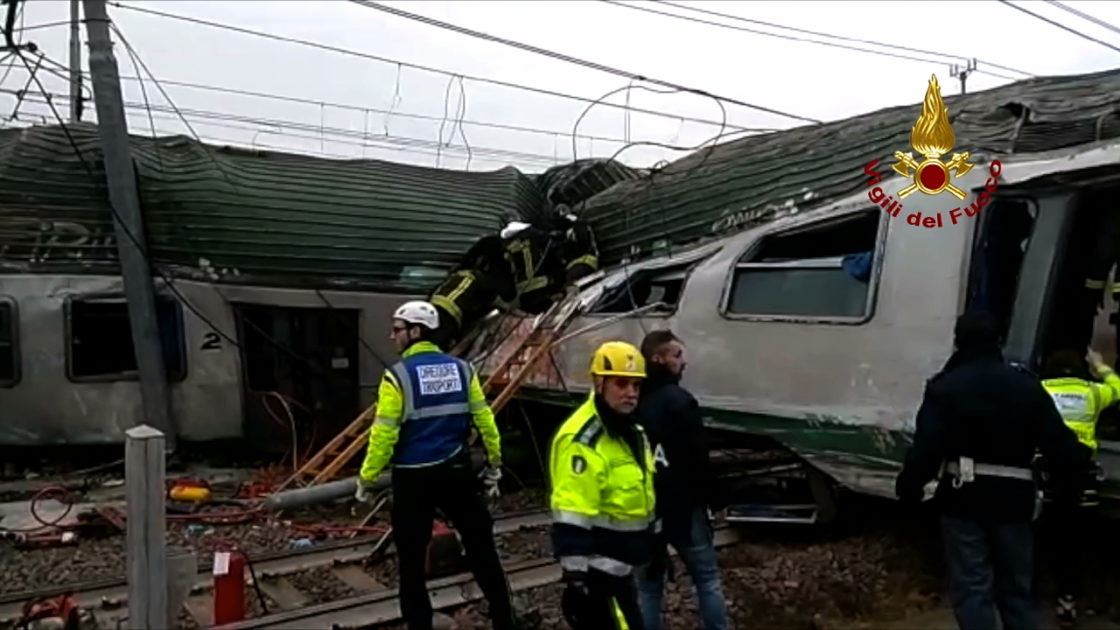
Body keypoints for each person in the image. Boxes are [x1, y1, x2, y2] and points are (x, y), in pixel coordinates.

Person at [895, 311, 1091, 630]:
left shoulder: (946, 387)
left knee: (973, 588)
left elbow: (926, 448)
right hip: (1016, 500)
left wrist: (909, 489)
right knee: (1017, 591)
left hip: (963, 499)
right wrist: (1076, 472)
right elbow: (1061, 446)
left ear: (958, 341)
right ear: (999, 341)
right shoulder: (1026, 386)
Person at [355, 300, 517, 630]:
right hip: (456, 474)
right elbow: (485, 420)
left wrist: (367, 477)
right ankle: (504, 620)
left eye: (398, 330)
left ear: (416, 332)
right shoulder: (463, 370)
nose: (392, 336)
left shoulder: (396, 378)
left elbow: (383, 435)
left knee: (412, 565)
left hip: (413, 480)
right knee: (482, 549)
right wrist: (495, 463)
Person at [549, 341, 657, 629]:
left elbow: (643, 494)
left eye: (636, 386)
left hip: (624, 568)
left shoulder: (632, 431)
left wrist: (654, 544)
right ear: (599, 383)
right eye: (622, 384)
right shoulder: (584, 440)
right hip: (598, 574)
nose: (631, 393)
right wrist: (575, 574)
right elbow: (572, 506)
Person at [633, 330, 729, 630]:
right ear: (658, 358)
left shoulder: (632, 402)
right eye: (677, 355)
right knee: (706, 577)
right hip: (685, 509)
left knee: (648, 588)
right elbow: (697, 459)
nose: (683, 362)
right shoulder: (681, 402)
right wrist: (714, 499)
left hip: (645, 510)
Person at [1039, 348, 1120, 625]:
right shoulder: (1093, 393)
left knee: (1040, 536)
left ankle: (1031, 593)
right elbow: (1118, 389)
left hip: (1045, 475)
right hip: (1080, 477)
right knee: (1074, 541)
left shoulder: (1040, 390)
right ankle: (1069, 599)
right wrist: (1100, 366)